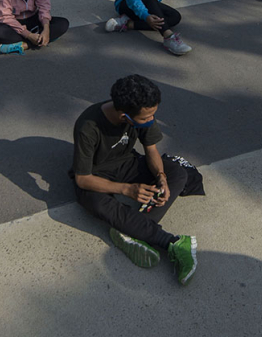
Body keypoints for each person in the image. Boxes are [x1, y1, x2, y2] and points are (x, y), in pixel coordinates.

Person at [71, 74, 199, 285]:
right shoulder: (88, 126)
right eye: (146, 118)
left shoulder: (144, 111)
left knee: (178, 173)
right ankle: (173, 242)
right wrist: (127, 190)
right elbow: (83, 179)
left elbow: (151, 149)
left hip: (128, 163)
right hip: (97, 174)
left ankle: (132, 232)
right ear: (124, 115)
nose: (151, 120)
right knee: (93, 201)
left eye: (153, 115)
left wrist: (161, 177)